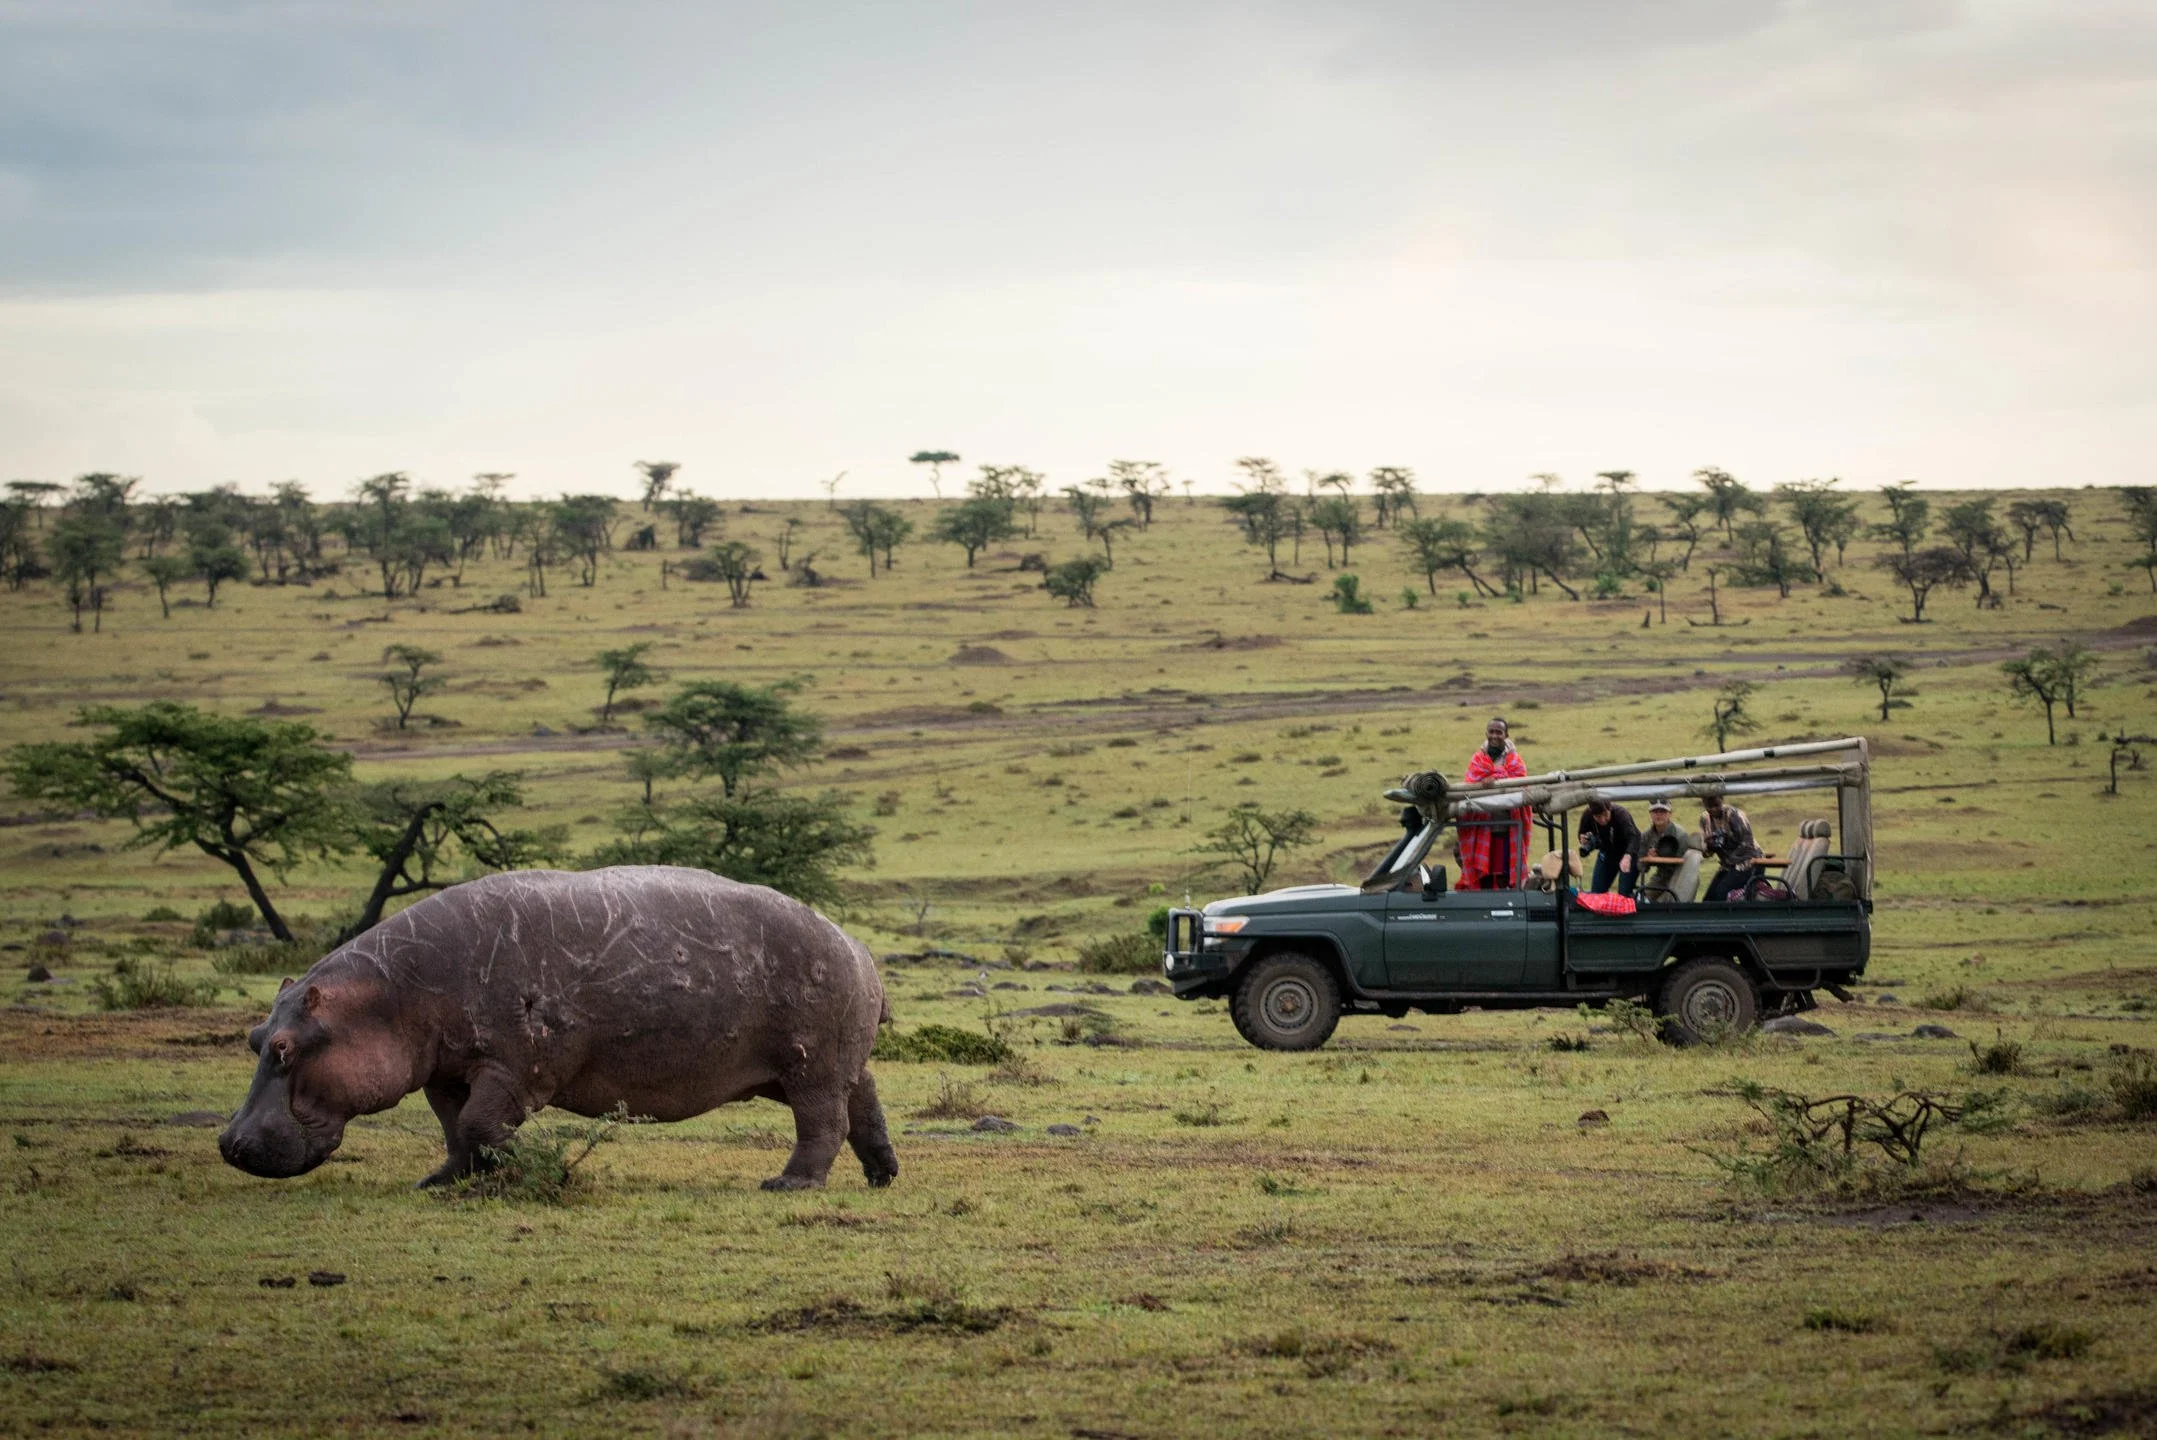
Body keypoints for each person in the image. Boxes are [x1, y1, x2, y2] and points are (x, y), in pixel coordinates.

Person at [1455, 717, 1530, 890]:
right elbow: (1471, 780)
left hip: (1507, 830)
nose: (1495, 736)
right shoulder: (1478, 760)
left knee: (1505, 875)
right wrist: (1486, 781)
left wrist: (1495, 777)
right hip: (1482, 828)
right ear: (1486, 733)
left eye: (1499, 732)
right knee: (1484, 876)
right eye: (1491, 732)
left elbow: (1520, 782)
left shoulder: (1515, 760)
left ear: (1506, 735)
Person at [1633, 798, 1703, 903]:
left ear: (1670, 814)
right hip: (1661, 877)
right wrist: (1649, 859)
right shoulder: (1646, 836)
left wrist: (1661, 858)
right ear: (1650, 814)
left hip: (1680, 876)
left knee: (1672, 903)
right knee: (1639, 900)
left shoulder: (1680, 835)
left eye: (1663, 812)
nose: (1659, 815)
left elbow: (1686, 865)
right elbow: (1640, 866)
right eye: (1655, 812)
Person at [1699, 794, 1762, 902]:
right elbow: (1706, 853)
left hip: (1749, 862)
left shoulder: (1734, 815)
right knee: (1709, 899)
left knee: (1722, 893)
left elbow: (1748, 843)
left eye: (1716, 805)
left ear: (1722, 800)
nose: (1713, 809)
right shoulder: (1705, 819)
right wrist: (1710, 845)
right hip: (1728, 865)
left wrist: (1730, 859)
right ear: (1704, 804)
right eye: (1709, 806)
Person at [1576, 797, 1640, 898]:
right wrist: (1583, 839)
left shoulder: (1621, 814)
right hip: (1606, 854)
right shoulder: (1587, 815)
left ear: (1610, 808)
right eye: (1598, 816)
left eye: (1605, 815)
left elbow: (1634, 837)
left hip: (1627, 853)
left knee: (1624, 895)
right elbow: (1581, 833)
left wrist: (1628, 856)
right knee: (1596, 895)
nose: (1602, 819)